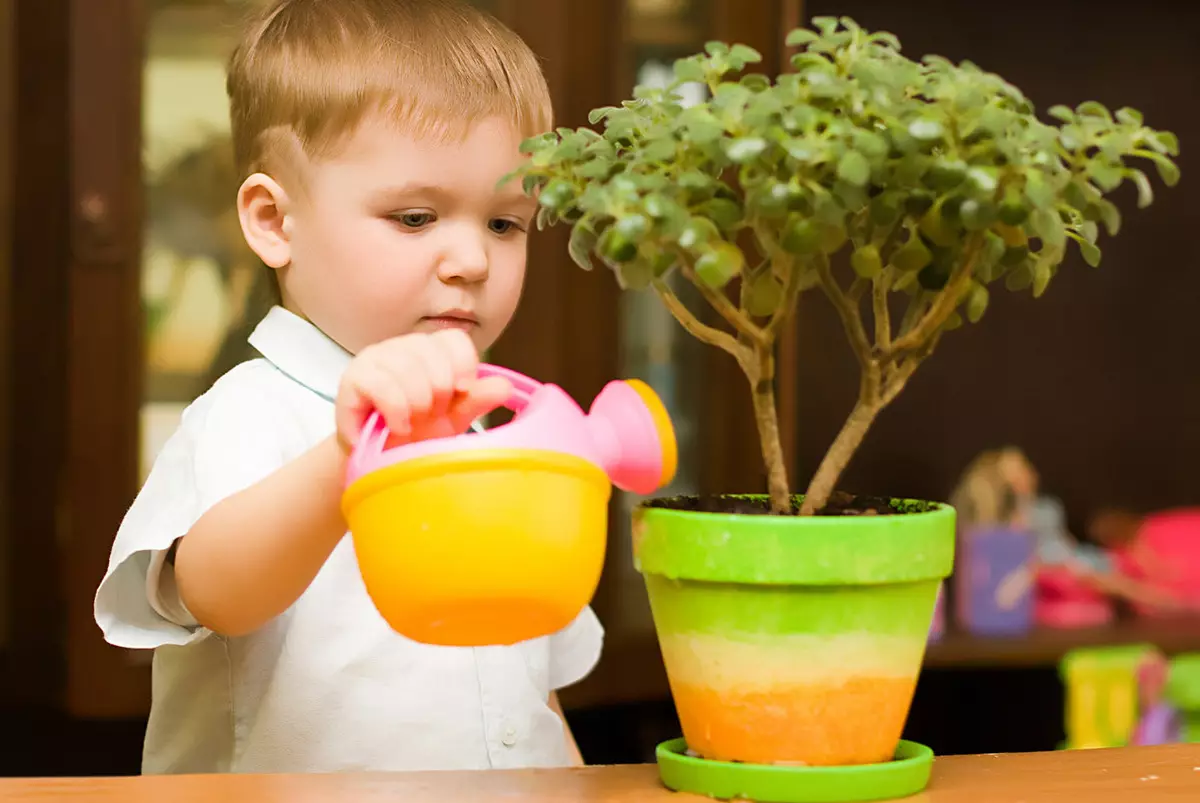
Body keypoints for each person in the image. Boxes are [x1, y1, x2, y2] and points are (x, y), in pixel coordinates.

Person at [94, 0, 603, 775]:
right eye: (415, 216)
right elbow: (213, 591)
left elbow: (524, 693)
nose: (471, 258)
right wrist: (349, 454)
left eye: (506, 223)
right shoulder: (251, 412)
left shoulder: (493, 437)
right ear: (274, 221)